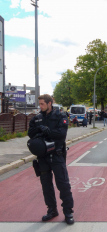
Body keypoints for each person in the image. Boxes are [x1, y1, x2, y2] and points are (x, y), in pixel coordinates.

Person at [28, 94, 74, 225]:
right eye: (40, 104)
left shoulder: (60, 116)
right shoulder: (37, 118)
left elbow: (61, 134)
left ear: (49, 103)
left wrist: (47, 131)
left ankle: (68, 212)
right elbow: (30, 133)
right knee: (46, 185)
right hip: (43, 157)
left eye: (42, 104)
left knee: (63, 184)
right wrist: (39, 129)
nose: (40, 106)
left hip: (57, 155)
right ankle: (52, 210)